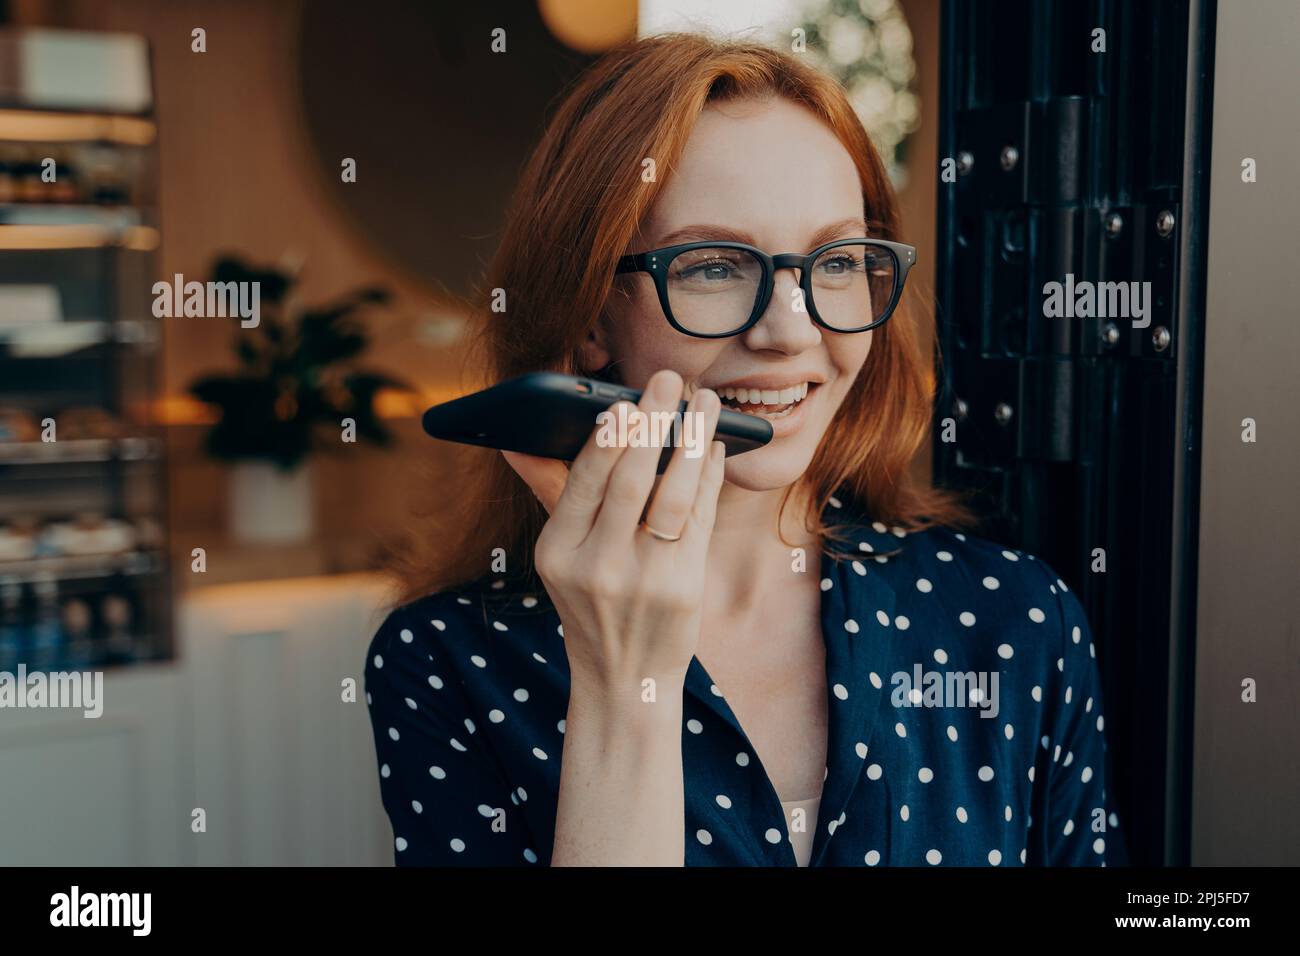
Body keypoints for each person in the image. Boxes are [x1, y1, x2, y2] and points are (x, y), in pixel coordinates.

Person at [364, 32, 1120, 866]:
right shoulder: (447, 661)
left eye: (836, 261)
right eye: (716, 267)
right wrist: (625, 688)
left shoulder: (1014, 618)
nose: (791, 332)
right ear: (587, 321)